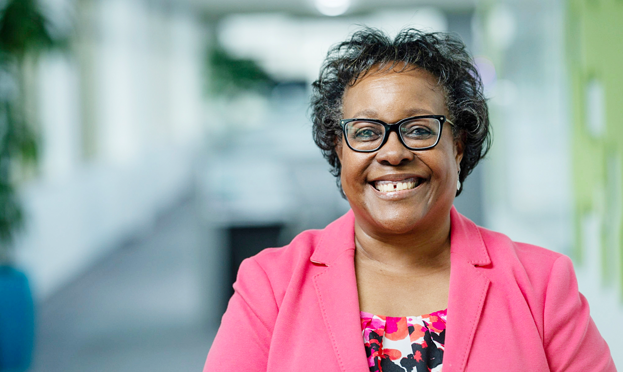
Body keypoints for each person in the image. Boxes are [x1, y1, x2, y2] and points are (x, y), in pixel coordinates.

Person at [203, 28, 615, 372]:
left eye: (418, 129)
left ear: (457, 146)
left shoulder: (541, 283)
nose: (393, 152)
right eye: (365, 132)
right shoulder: (269, 286)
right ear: (339, 150)